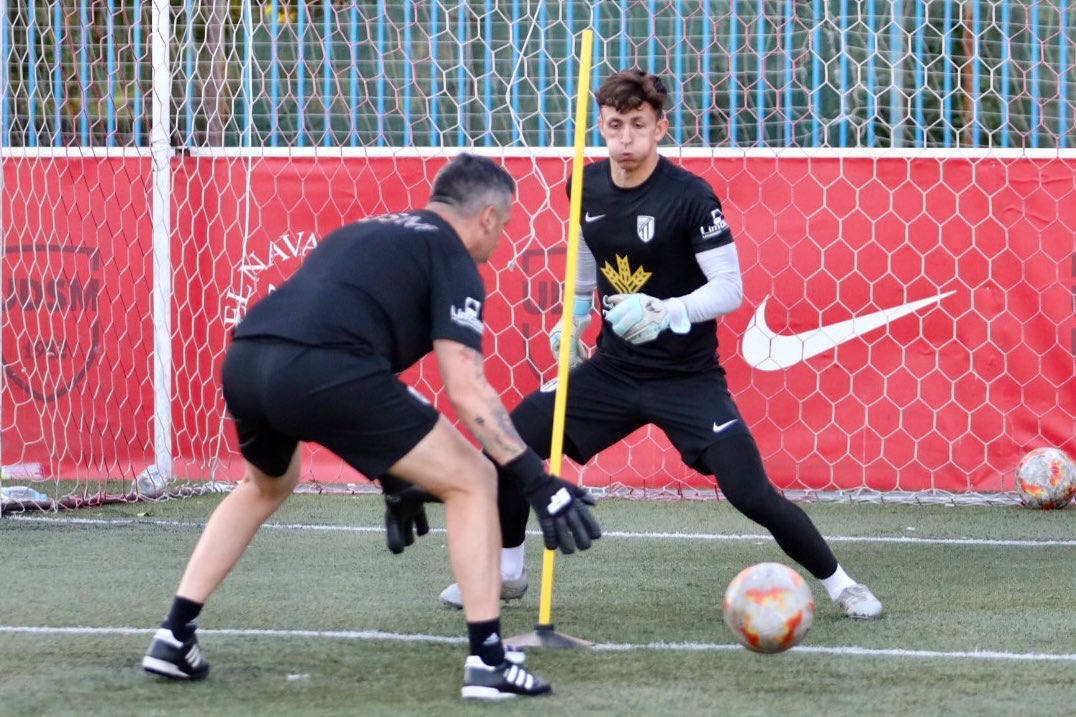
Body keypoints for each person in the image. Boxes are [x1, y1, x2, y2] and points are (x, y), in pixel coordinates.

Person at [416, 71, 882, 619]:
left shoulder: (689, 196)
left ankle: (840, 583)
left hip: (687, 378)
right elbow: (587, 255)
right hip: (614, 370)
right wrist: (575, 317)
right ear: (602, 128)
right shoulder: (583, 185)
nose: (626, 138)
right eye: (615, 126)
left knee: (751, 493)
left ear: (659, 127)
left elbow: (730, 288)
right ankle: (510, 571)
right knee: (509, 444)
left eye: (638, 125)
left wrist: (670, 310)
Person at [141, 154, 601, 700]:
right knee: (475, 479)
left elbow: (335, 334)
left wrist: (394, 478)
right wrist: (535, 480)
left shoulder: (367, 230)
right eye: (503, 226)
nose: (500, 240)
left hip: (246, 359)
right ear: (487, 216)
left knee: (265, 485)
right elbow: (467, 387)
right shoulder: (452, 255)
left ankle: (173, 635)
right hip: (325, 367)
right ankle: (488, 661)